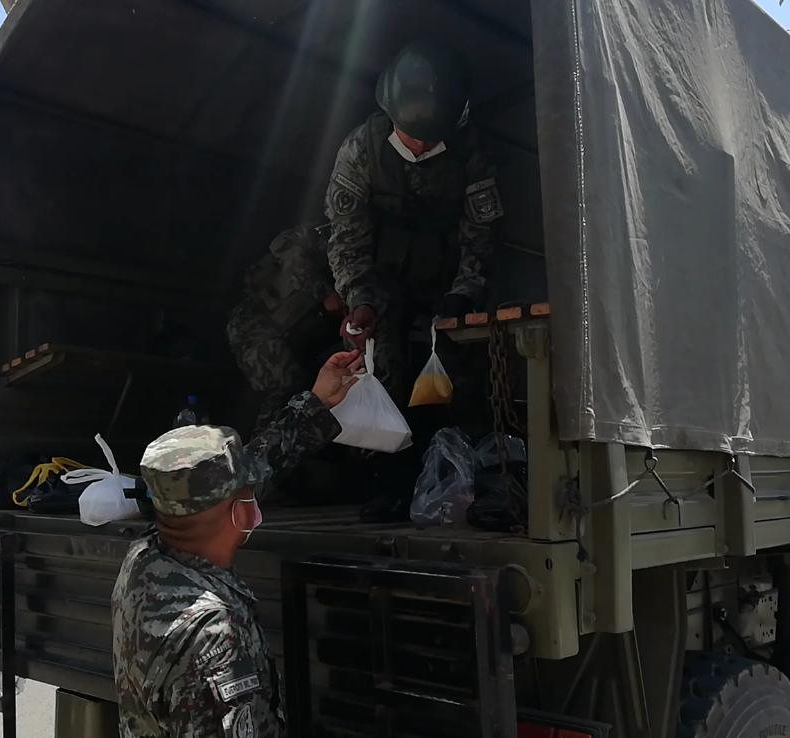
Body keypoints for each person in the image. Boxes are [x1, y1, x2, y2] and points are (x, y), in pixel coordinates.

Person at [112, 351, 361, 738]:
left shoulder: (145, 558)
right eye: (248, 495)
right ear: (240, 513)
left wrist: (317, 400)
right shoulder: (214, 637)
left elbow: (255, 468)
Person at [324, 40, 504, 520]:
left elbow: (480, 235)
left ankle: (464, 480)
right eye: (412, 136)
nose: (421, 146)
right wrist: (359, 301)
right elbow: (347, 239)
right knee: (385, 371)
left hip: (447, 282)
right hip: (382, 282)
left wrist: (464, 294)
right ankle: (390, 485)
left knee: (457, 373)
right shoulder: (361, 149)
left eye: (431, 137)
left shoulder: (470, 153)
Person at [227, 224, 346, 434]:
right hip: (254, 326)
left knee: (296, 384)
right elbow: (294, 261)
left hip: (290, 327)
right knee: (283, 385)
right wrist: (326, 294)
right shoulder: (296, 241)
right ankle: (262, 451)